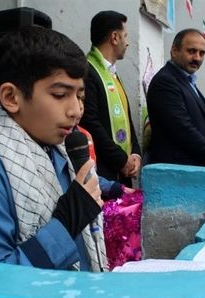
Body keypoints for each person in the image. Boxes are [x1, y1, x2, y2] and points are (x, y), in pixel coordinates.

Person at [0, 26, 107, 272]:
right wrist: (65, 225)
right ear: (11, 97)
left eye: (79, 96)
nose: (76, 111)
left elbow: (76, 183)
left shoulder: (58, 152)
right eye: (59, 94)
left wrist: (114, 189)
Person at [80, 11, 141, 186]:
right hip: (104, 171)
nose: (127, 42)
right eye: (125, 36)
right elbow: (89, 122)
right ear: (115, 37)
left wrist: (135, 154)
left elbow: (127, 119)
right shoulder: (89, 71)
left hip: (122, 168)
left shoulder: (112, 73)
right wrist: (121, 160)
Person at [146, 29, 205, 167]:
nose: (197, 58)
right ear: (174, 51)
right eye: (191, 51)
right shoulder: (166, 81)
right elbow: (182, 128)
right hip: (177, 169)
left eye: (202, 53)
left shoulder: (186, 80)